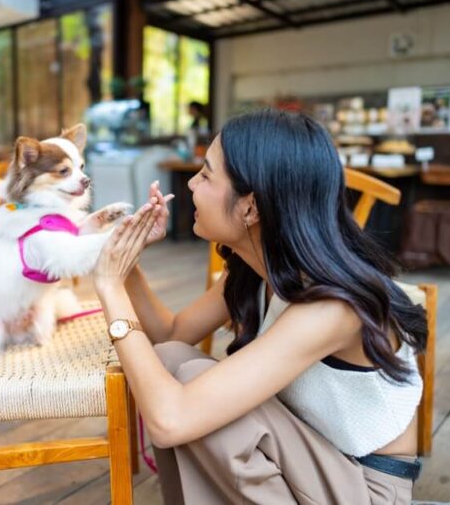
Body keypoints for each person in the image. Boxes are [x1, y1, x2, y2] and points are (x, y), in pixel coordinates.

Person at [92, 109, 428, 504]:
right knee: (171, 359)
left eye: (205, 174)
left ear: (250, 207)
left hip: (364, 488)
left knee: (193, 395)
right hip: (313, 458)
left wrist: (109, 287)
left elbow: (170, 421)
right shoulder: (260, 267)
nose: (191, 185)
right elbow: (170, 335)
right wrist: (123, 264)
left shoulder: (332, 308)